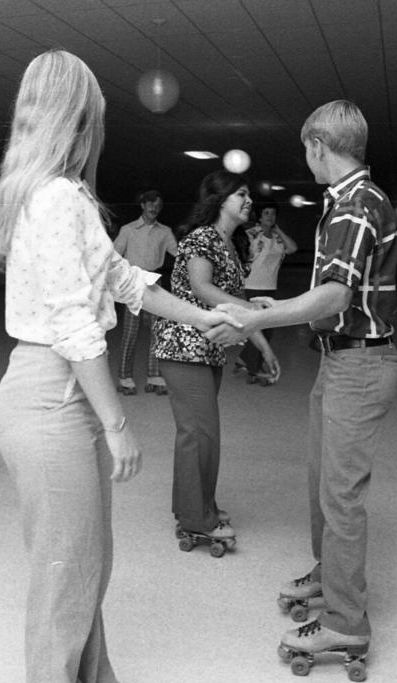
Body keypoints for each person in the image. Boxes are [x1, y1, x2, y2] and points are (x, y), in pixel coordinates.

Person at [0, 50, 240, 683]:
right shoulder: (57, 198)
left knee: (85, 564)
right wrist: (118, 421)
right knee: (66, 571)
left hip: (55, 396)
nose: (102, 129)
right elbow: (73, 325)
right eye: (96, 115)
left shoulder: (58, 195)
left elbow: (125, 283)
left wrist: (204, 316)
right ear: (78, 118)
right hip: (48, 396)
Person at [220, 100, 397, 668]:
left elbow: (334, 297)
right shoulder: (348, 202)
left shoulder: (355, 206)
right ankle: (332, 578)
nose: (308, 159)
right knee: (324, 484)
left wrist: (259, 318)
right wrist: (282, 305)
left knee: (341, 498)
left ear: (320, 146)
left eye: (307, 150)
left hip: (359, 365)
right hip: (339, 360)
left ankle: (346, 623)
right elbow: (325, 297)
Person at [151, 170, 280, 546]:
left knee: (204, 434)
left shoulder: (230, 243)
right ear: (219, 200)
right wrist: (265, 321)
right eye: (241, 194)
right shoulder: (201, 238)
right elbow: (203, 289)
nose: (249, 200)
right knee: (199, 433)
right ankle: (196, 518)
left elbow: (238, 309)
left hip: (207, 350)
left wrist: (264, 346)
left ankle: (198, 505)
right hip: (182, 347)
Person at [112, 189, 177, 396]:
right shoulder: (128, 230)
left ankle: (154, 376)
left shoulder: (165, 231)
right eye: (151, 205)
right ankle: (125, 378)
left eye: (158, 206)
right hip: (133, 284)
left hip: (154, 284)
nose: (154, 209)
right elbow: (114, 256)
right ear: (142, 205)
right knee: (130, 333)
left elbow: (178, 253)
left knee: (157, 332)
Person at [235, 201, 297, 385]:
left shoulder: (278, 238)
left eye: (273, 214)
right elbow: (240, 255)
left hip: (270, 287)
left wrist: (278, 230)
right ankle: (254, 369)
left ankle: (244, 359)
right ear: (259, 217)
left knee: (267, 328)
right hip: (251, 285)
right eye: (267, 213)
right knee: (259, 327)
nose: (270, 217)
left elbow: (293, 248)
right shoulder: (252, 234)